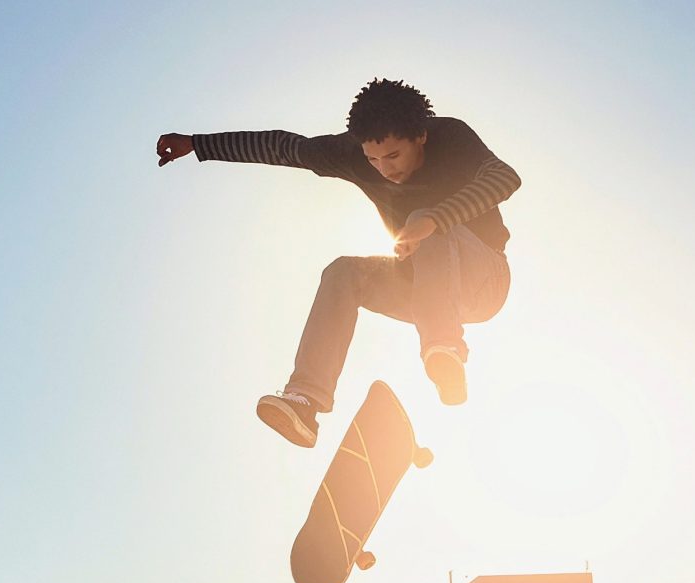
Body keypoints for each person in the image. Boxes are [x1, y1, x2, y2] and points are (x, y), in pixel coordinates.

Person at [156, 79, 521, 448]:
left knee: (424, 222)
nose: (383, 169)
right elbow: (286, 148)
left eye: (394, 156)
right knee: (343, 272)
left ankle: (445, 352)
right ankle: (305, 403)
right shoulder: (350, 154)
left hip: (484, 279)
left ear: (420, 137)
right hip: (419, 287)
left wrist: (433, 220)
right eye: (372, 159)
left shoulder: (451, 137)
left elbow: (505, 177)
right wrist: (197, 144)